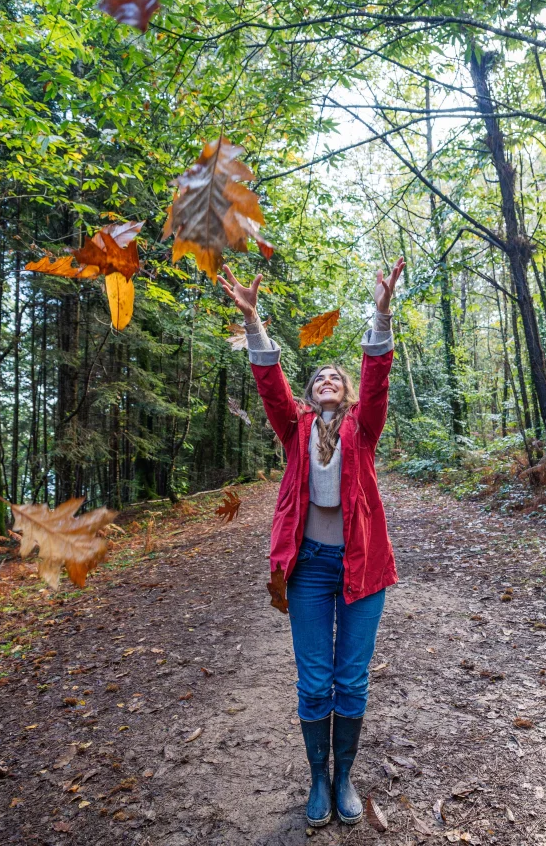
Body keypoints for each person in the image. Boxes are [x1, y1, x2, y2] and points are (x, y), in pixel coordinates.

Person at [217, 256, 404, 827]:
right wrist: (253, 323)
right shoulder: (295, 428)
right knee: (314, 678)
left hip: (362, 565)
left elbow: (376, 384)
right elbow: (271, 388)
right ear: (309, 393)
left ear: (345, 393)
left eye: (335, 376)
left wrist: (381, 312)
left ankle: (344, 775)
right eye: (317, 377)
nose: (327, 379)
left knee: (351, 677)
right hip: (308, 569)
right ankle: (318, 778)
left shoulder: (361, 429)